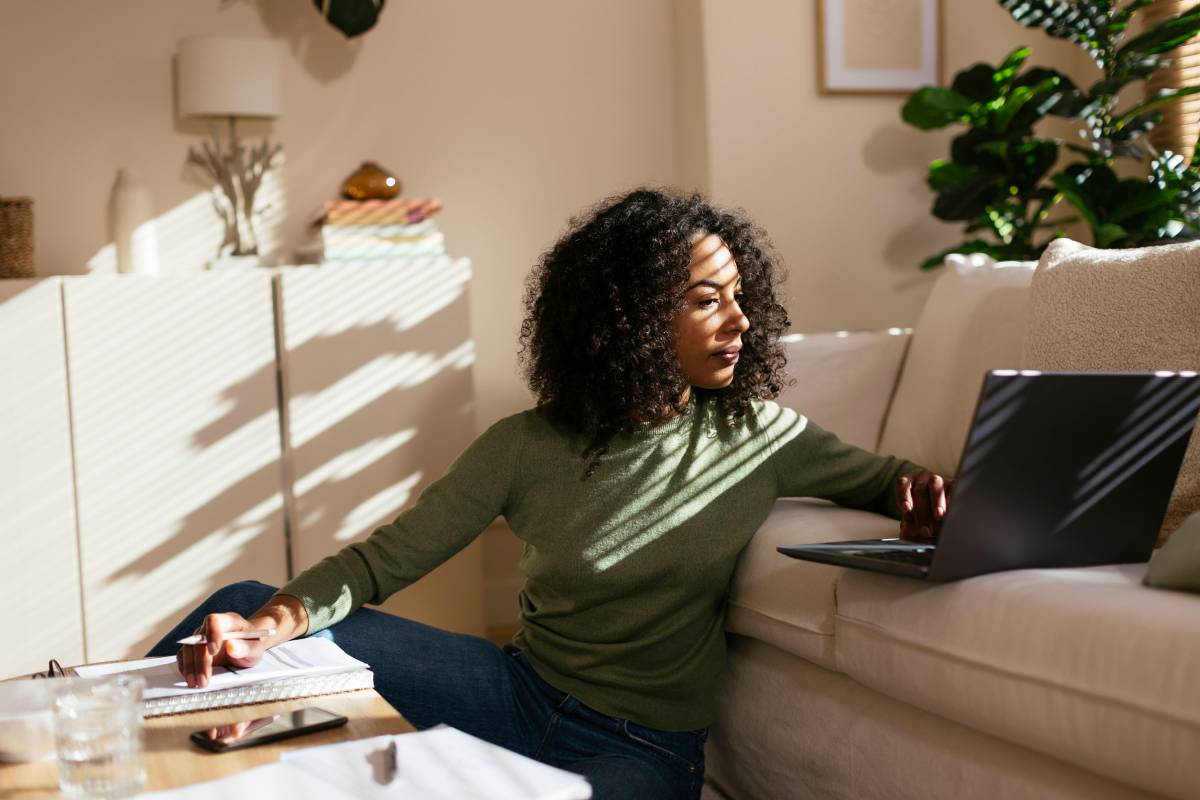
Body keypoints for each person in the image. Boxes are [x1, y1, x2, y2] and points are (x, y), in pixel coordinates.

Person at [149, 188, 951, 799]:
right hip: (515, 694)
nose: (740, 320)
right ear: (632, 318)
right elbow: (377, 564)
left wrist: (921, 494)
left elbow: (889, 481)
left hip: (641, 751)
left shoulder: (758, 437)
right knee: (241, 602)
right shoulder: (525, 447)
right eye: (708, 299)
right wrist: (264, 633)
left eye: (740, 296)